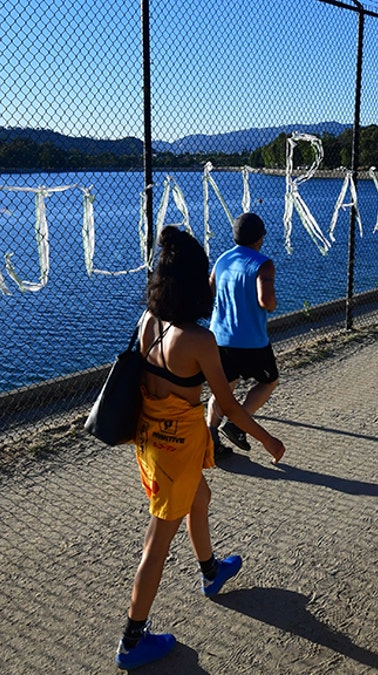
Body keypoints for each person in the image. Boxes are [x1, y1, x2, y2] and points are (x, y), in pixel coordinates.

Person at [116, 226, 286, 670]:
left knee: (201, 497)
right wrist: (268, 439)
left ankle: (211, 572)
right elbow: (227, 404)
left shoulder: (148, 322)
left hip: (150, 439)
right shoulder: (197, 340)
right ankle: (132, 640)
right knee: (157, 542)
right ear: (195, 283)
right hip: (179, 445)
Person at [207, 212, 279, 457]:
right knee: (269, 381)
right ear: (260, 237)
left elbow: (210, 292)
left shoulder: (222, 260)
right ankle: (237, 424)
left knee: (223, 389)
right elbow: (266, 300)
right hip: (251, 341)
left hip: (219, 337)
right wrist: (271, 306)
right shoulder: (262, 263)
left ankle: (210, 437)